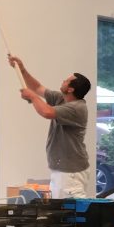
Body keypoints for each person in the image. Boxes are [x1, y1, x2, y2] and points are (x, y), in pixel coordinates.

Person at [7, 55, 94, 199]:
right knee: (63, 212)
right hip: (64, 170)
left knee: (70, 212)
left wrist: (33, 97)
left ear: (71, 89)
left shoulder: (77, 108)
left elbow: (47, 112)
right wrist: (22, 70)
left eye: (66, 80)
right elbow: (38, 88)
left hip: (70, 172)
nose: (63, 81)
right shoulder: (62, 98)